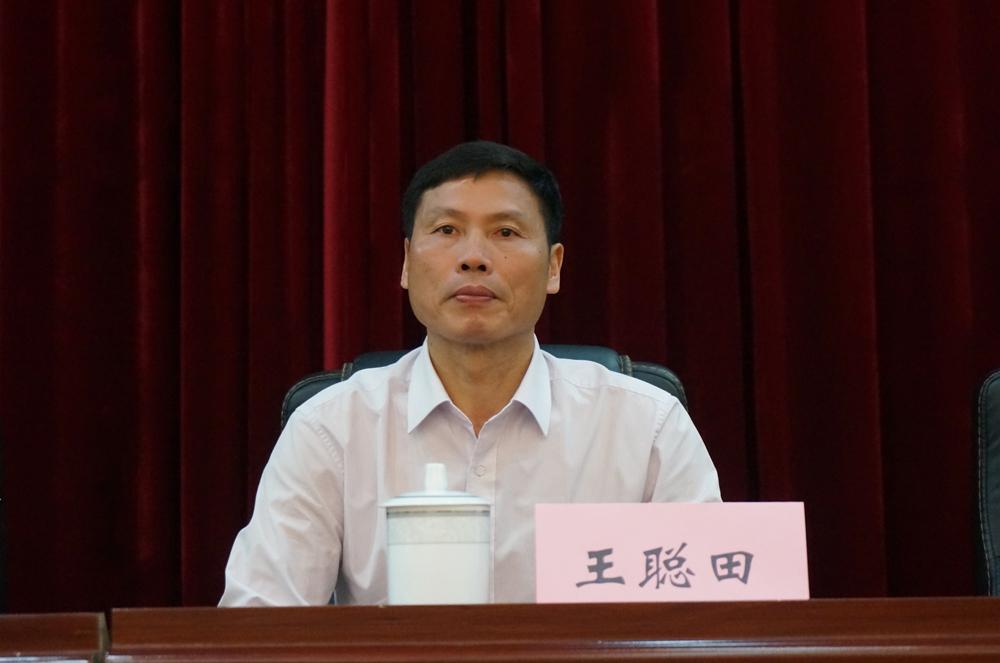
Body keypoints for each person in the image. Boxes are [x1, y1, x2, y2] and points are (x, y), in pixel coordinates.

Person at [220, 141, 720, 606]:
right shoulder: (330, 429)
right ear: (406, 263)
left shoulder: (646, 427)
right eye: (446, 231)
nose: (474, 258)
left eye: (506, 232)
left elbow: (709, 620)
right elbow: (262, 623)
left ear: (553, 267)